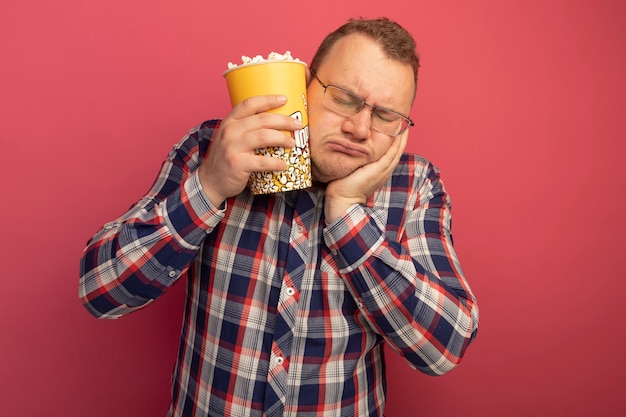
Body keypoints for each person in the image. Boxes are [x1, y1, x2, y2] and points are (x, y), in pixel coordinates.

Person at [79, 17, 479, 417]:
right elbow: (100, 290)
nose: (359, 128)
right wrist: (211, 186)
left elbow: (444, 348)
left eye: (386, 115)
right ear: (304, 85)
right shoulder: (213, 150)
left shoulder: (413, 185)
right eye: (343, 97)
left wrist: (348, 216)